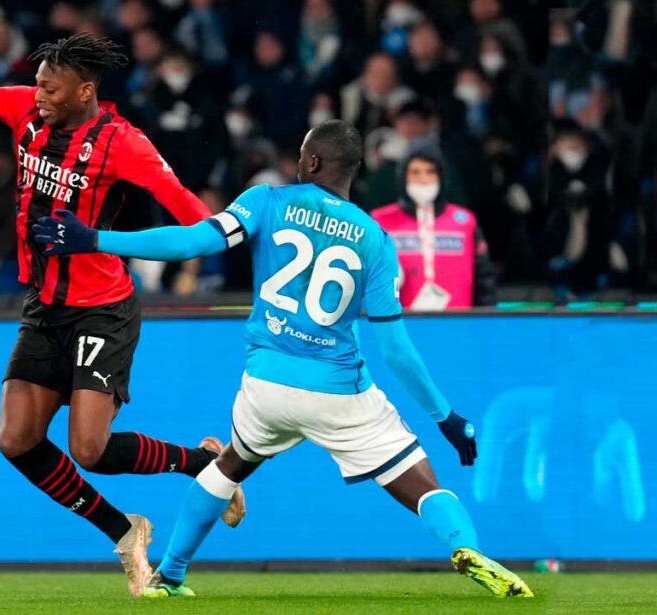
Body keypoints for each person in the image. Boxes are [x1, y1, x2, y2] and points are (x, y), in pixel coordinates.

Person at [32, 120, 533, 599]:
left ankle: (170, 573)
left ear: (312, 161)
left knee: (230, 464)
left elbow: (194, 241)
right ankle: (467, 547)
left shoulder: (266, 201)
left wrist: (95, 239)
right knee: (422, 483)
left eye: (300, 155)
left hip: (267, 385)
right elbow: (396, 349)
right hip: (339, 391)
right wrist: (446, 417)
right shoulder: (375, 238)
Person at [0, 32, 244, 595]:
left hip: (102, 309)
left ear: (85, 92)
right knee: (16, 440)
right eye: (37, 84)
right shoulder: (24, 110)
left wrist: (232, 237)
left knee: (91, 451)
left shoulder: (123, 142)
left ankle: (202, 463)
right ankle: (124, 531)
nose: (39, 95)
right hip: (44, 307)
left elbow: (186, 208)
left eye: (51, 89)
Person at [371, 147, 496, 309]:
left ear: (441, 176)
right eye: (415, 172)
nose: (423, 179)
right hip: (401, 319)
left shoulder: (464, 221)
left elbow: (484, 279)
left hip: (459, 319)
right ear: (403, 177)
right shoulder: (380, 221)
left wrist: (488, 317)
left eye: (430, 172)